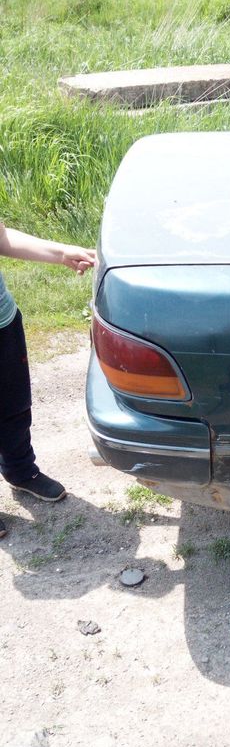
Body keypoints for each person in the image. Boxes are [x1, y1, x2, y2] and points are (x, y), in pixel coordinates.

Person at [0, 221, 96, 538]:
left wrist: (61, 253)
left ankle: (20, 471)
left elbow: (1, 237)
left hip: (3, 322)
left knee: (14, 407)